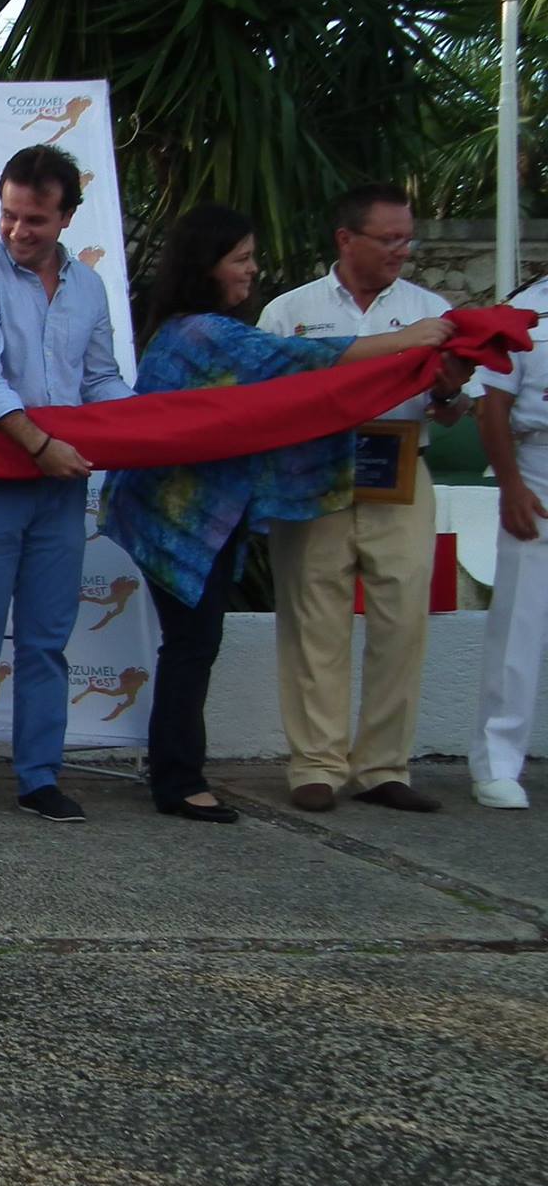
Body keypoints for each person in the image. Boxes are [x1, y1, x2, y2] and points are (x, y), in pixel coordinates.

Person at [100, 205, 452, 822]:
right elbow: (304, 361)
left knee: (192, 645)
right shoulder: (206, 334)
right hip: (181, 517)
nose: (252, 269)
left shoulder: (192, 329)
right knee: (192, 646)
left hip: (199, 512)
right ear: (206, 265)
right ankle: (179, 781)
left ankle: (182, 773)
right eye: (241, 258)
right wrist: (407, 341)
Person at [257, 185, 474, 813]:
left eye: (407, 238)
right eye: (388, 239)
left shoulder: (431, 310)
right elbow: (263, 394)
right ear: (346, 240)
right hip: (313, 476)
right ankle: (316, 765)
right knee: (312, 619)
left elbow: (454, 410)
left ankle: (383, 767)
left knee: (402, 621)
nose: (401, 250)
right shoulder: (289, 311)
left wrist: (449, 392)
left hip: (401, 473)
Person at [0, 144, 132, 823]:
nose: (19, 231)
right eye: (9, 215)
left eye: (36, 219)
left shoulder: (89, 287)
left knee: (47, 639)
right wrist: (41, 444)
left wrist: (144, 425)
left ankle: (39, 777)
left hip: (59, 486)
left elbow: (100, 379)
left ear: (67, 217)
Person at [469, 277, 548, 810]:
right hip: (539, 465)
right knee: (520, 620)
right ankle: (497, 761)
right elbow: (491, 403)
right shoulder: (527, 308)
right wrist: (511, 486)